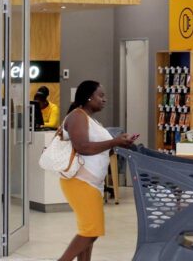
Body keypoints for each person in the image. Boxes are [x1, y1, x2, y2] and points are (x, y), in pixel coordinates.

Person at [58, 80, 135, 261]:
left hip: (91, 183)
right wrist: (114, 141)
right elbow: (83, 147)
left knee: (88, 231)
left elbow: (100, 149)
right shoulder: (77, 116)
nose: (104, 99)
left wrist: (119, 143)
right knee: (92, 231)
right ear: (88, 97)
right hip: (80, 182)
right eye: (100, 95)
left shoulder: (91, 119)